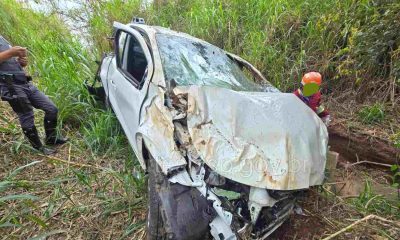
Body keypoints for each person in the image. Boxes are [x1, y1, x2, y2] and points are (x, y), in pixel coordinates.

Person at [0, 35, 67, 154]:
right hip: (10, 85)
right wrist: (11, 52)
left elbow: (7, 63)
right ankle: (39, 148)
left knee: (51, 109)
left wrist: (20, 63)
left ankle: (51, 138)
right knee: (27, 115)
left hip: (25, 82)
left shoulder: (2, 38)